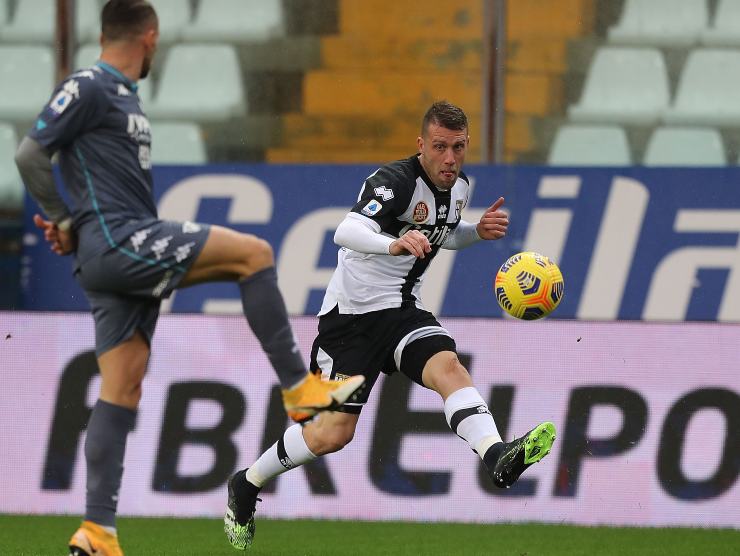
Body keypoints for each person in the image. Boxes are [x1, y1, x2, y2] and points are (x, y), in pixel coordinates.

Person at [14, 2, 363, 555]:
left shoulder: (123, 96)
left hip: (111, 257)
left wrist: (72, 221)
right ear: (149, 37)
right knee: (254, 254)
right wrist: (62, 218)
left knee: (121, 387)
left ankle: (97, 530)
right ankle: (300, 390)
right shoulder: (92, 84)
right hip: (123, 241)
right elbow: (31, 153)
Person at [223, 101, 557, 550]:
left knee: (449, 369)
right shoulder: (395, 181)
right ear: (421, 145)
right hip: (350, 323)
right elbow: (346, 230)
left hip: (402, 313)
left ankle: (497, 456)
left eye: (458, 147)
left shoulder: (459, 188)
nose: (450, 158)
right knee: (331, 434)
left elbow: (443, 232)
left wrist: (476, 231)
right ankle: (246, 483)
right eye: (439, 147)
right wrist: (392, 244)